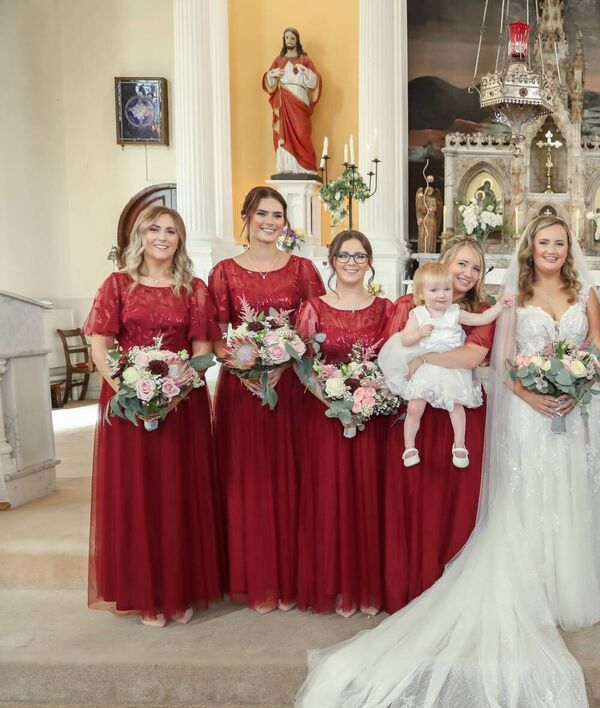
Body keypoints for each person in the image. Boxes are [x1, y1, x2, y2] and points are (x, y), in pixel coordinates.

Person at [283, 214, 600, 708]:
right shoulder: (509, 298)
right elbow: (503, 361)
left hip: (573, 411)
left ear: (569, 248)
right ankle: (529, 581)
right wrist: (534, 397)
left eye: (560, 243)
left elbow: (599, 348)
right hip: (529, 412)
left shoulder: (583, 293)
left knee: (570, 497)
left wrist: (577, 380)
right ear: (529, 249)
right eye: (544, 242)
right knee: (529, 498)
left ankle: (570, 584)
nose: (553, 250)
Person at [82, 205, 224, 626]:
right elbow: (100, 347)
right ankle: (145, 593)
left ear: (180, 240)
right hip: (128, 406)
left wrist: (171, 396)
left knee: (180, 493)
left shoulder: (194, 289)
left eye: (172, 231)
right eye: (155, 229)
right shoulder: (117, 285)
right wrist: (130, 391)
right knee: (138, 494)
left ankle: (180, 591)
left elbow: (201, 354)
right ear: (140, 235)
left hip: (182, 407)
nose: (163, 236)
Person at [209, 186, 324, 613]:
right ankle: (254, 577)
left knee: (291, 476)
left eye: (278, 214)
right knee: (249, 480)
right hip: (242, 390)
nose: (270, 221)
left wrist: (284, 360)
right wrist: (247, 364)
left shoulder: (303, 270)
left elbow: (313, 328)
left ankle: (293, 577)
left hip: (291, 387)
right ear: (246, 216)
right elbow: (216, 336)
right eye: (262, 213)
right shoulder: (223, 272)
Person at [380, 236, 497, 611]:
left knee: (455, 498)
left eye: (476, 267)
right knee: (416, 495)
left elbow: (470, 357)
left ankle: (455, 592)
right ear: (444, 263)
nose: (468, 273)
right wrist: (412, 360)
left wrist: (424, 357)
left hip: (459, 412)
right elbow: (392, 351)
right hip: (417, 411)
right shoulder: (408, 305)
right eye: (461, 263)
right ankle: (412, 584)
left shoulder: (480, 308)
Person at [292, 231, 394, 617]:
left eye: (360, 255)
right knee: (330, 497)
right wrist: (334, 400)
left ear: (369, 262)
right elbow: (303, 366)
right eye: (344, 255)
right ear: (332, 261)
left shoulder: (384, 309)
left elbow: (392, 362)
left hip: (372, 418)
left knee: (368, 495)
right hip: (326, 417)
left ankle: (367, 586)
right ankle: (334, 585)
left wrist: (368, 398)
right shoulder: (313, 308)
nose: (352, 262)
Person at [381, 262, 510, 468]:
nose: (442, 295)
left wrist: (500, 306)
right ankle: (409, 447)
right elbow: (405, 340)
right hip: (426, 368)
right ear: (422, 294)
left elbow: (482, 318)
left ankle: (459, 445)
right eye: (434, 290)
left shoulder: (455, 312)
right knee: (415, 407)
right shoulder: (418, 314)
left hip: (451, 366)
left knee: (455, 406)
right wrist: (419, 334)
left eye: (447, 289)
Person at [262, 27, 322, 175]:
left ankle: (306, 168)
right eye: (286, 38)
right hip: (284, 102)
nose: (289, 40)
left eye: (292, 38)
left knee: (302, 133)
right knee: (284, 134)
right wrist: (271, 74)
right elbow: (268, 85)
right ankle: (286, 167)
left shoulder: (305, 60)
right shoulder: (278, 60)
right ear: (284, 40)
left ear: (297, 40)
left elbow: (315, 82)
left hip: (300, 101)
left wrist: (306, 72)